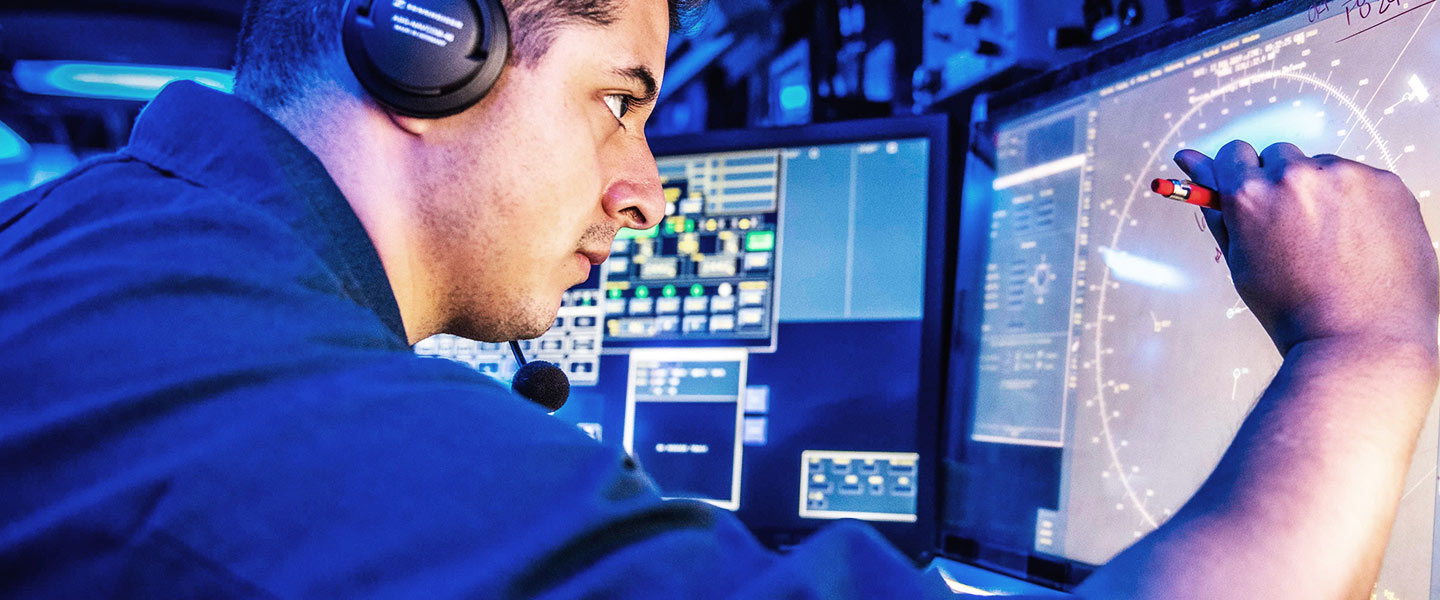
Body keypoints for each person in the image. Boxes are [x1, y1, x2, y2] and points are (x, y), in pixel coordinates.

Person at [0, 0, 1432, 596]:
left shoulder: (127, 253)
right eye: (617, 102)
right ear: (428, 46)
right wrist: (1366, 345)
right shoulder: (257, 409)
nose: (642, 183)